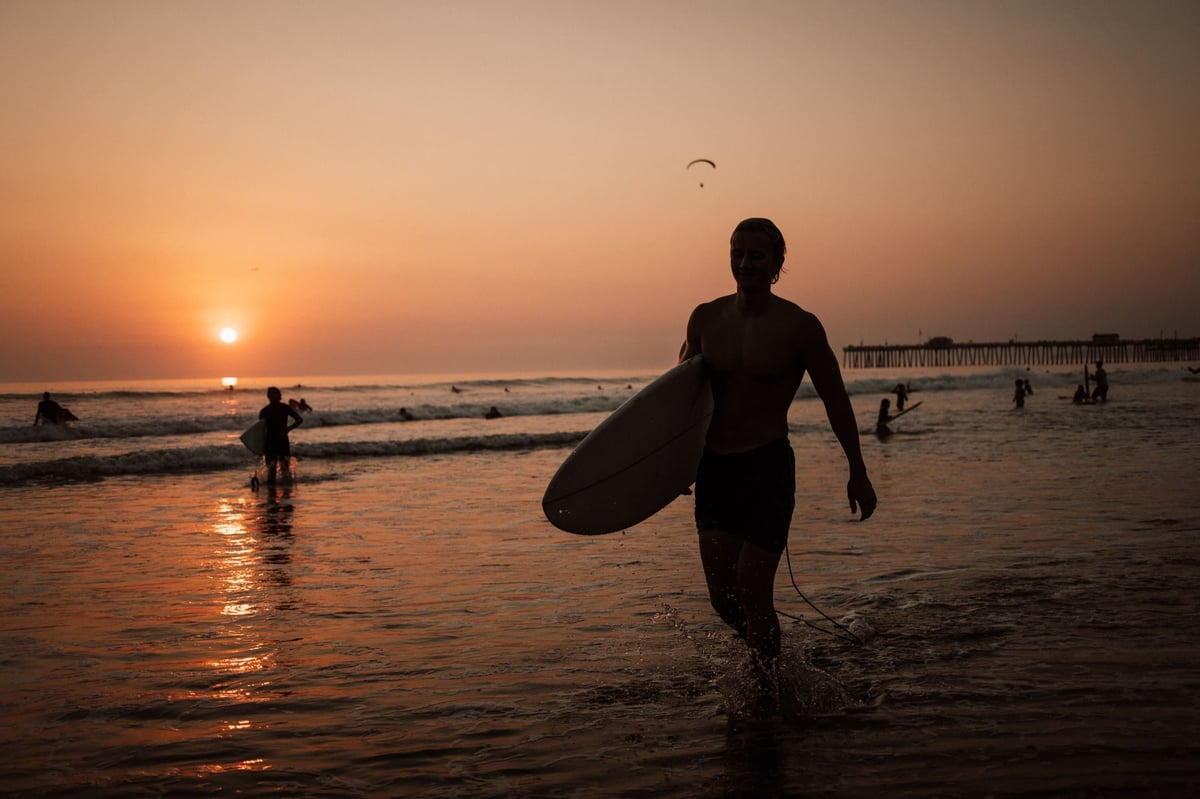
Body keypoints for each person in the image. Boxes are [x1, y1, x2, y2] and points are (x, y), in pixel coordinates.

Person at [678, 217, 877, 699]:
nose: (744, 264)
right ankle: (773, 663)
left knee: (752, 585)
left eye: (756, 256)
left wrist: (858, 470)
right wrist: (673, 465)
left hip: (766, 467)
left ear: (777, 265)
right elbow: (680, 396)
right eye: (737, 254)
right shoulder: (705, 318)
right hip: (715, 468)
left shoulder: (800, 327)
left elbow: (835, 398)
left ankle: (766, 691)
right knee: (723, 600)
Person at [259, 386, 303, 484]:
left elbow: (299, 420)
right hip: (269, 442)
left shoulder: (285, 408)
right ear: (268, 396)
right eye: (271, 393)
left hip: (282, 440)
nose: (273, 395)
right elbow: (260, 430)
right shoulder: (264, 412)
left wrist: (288, 429)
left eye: (275, 393)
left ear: (279, 396)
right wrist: (259, 448)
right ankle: (271, 491)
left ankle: (286, 493)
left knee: (285, 468)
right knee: (271, 469)